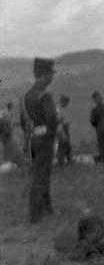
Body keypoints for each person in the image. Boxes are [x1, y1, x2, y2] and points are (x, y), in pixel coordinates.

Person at [20, 58, 59, 222]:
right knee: (42, 175)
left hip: (34, 139)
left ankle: (47, 208)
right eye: (51, 73)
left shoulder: (27, 96)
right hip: (46, 139)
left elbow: (23, 121)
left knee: (40, 173)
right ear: (44, 74)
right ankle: (35, 214)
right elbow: (52, 118)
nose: (52, 77)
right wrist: (52, 132)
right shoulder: (45, 95)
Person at [0, 101, 21, 166]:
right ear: (11, 107)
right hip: (5, 132)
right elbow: (8, 123)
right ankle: (8, 159)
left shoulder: (3, 112)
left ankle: (6, 158)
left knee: (6, 145)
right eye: (13, 107)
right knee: (9, 145)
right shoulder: (9, 113)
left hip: (3, 131)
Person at [55, 95, 72, 165]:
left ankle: (69, 159)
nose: (66, 105)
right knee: (62, 145)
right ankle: (61, 161)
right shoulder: (58, 109)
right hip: (61, 129)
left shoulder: (60, 109)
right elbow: (58, 121)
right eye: (66, 103)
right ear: (63, 101)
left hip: (63, 128)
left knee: (67, 145)